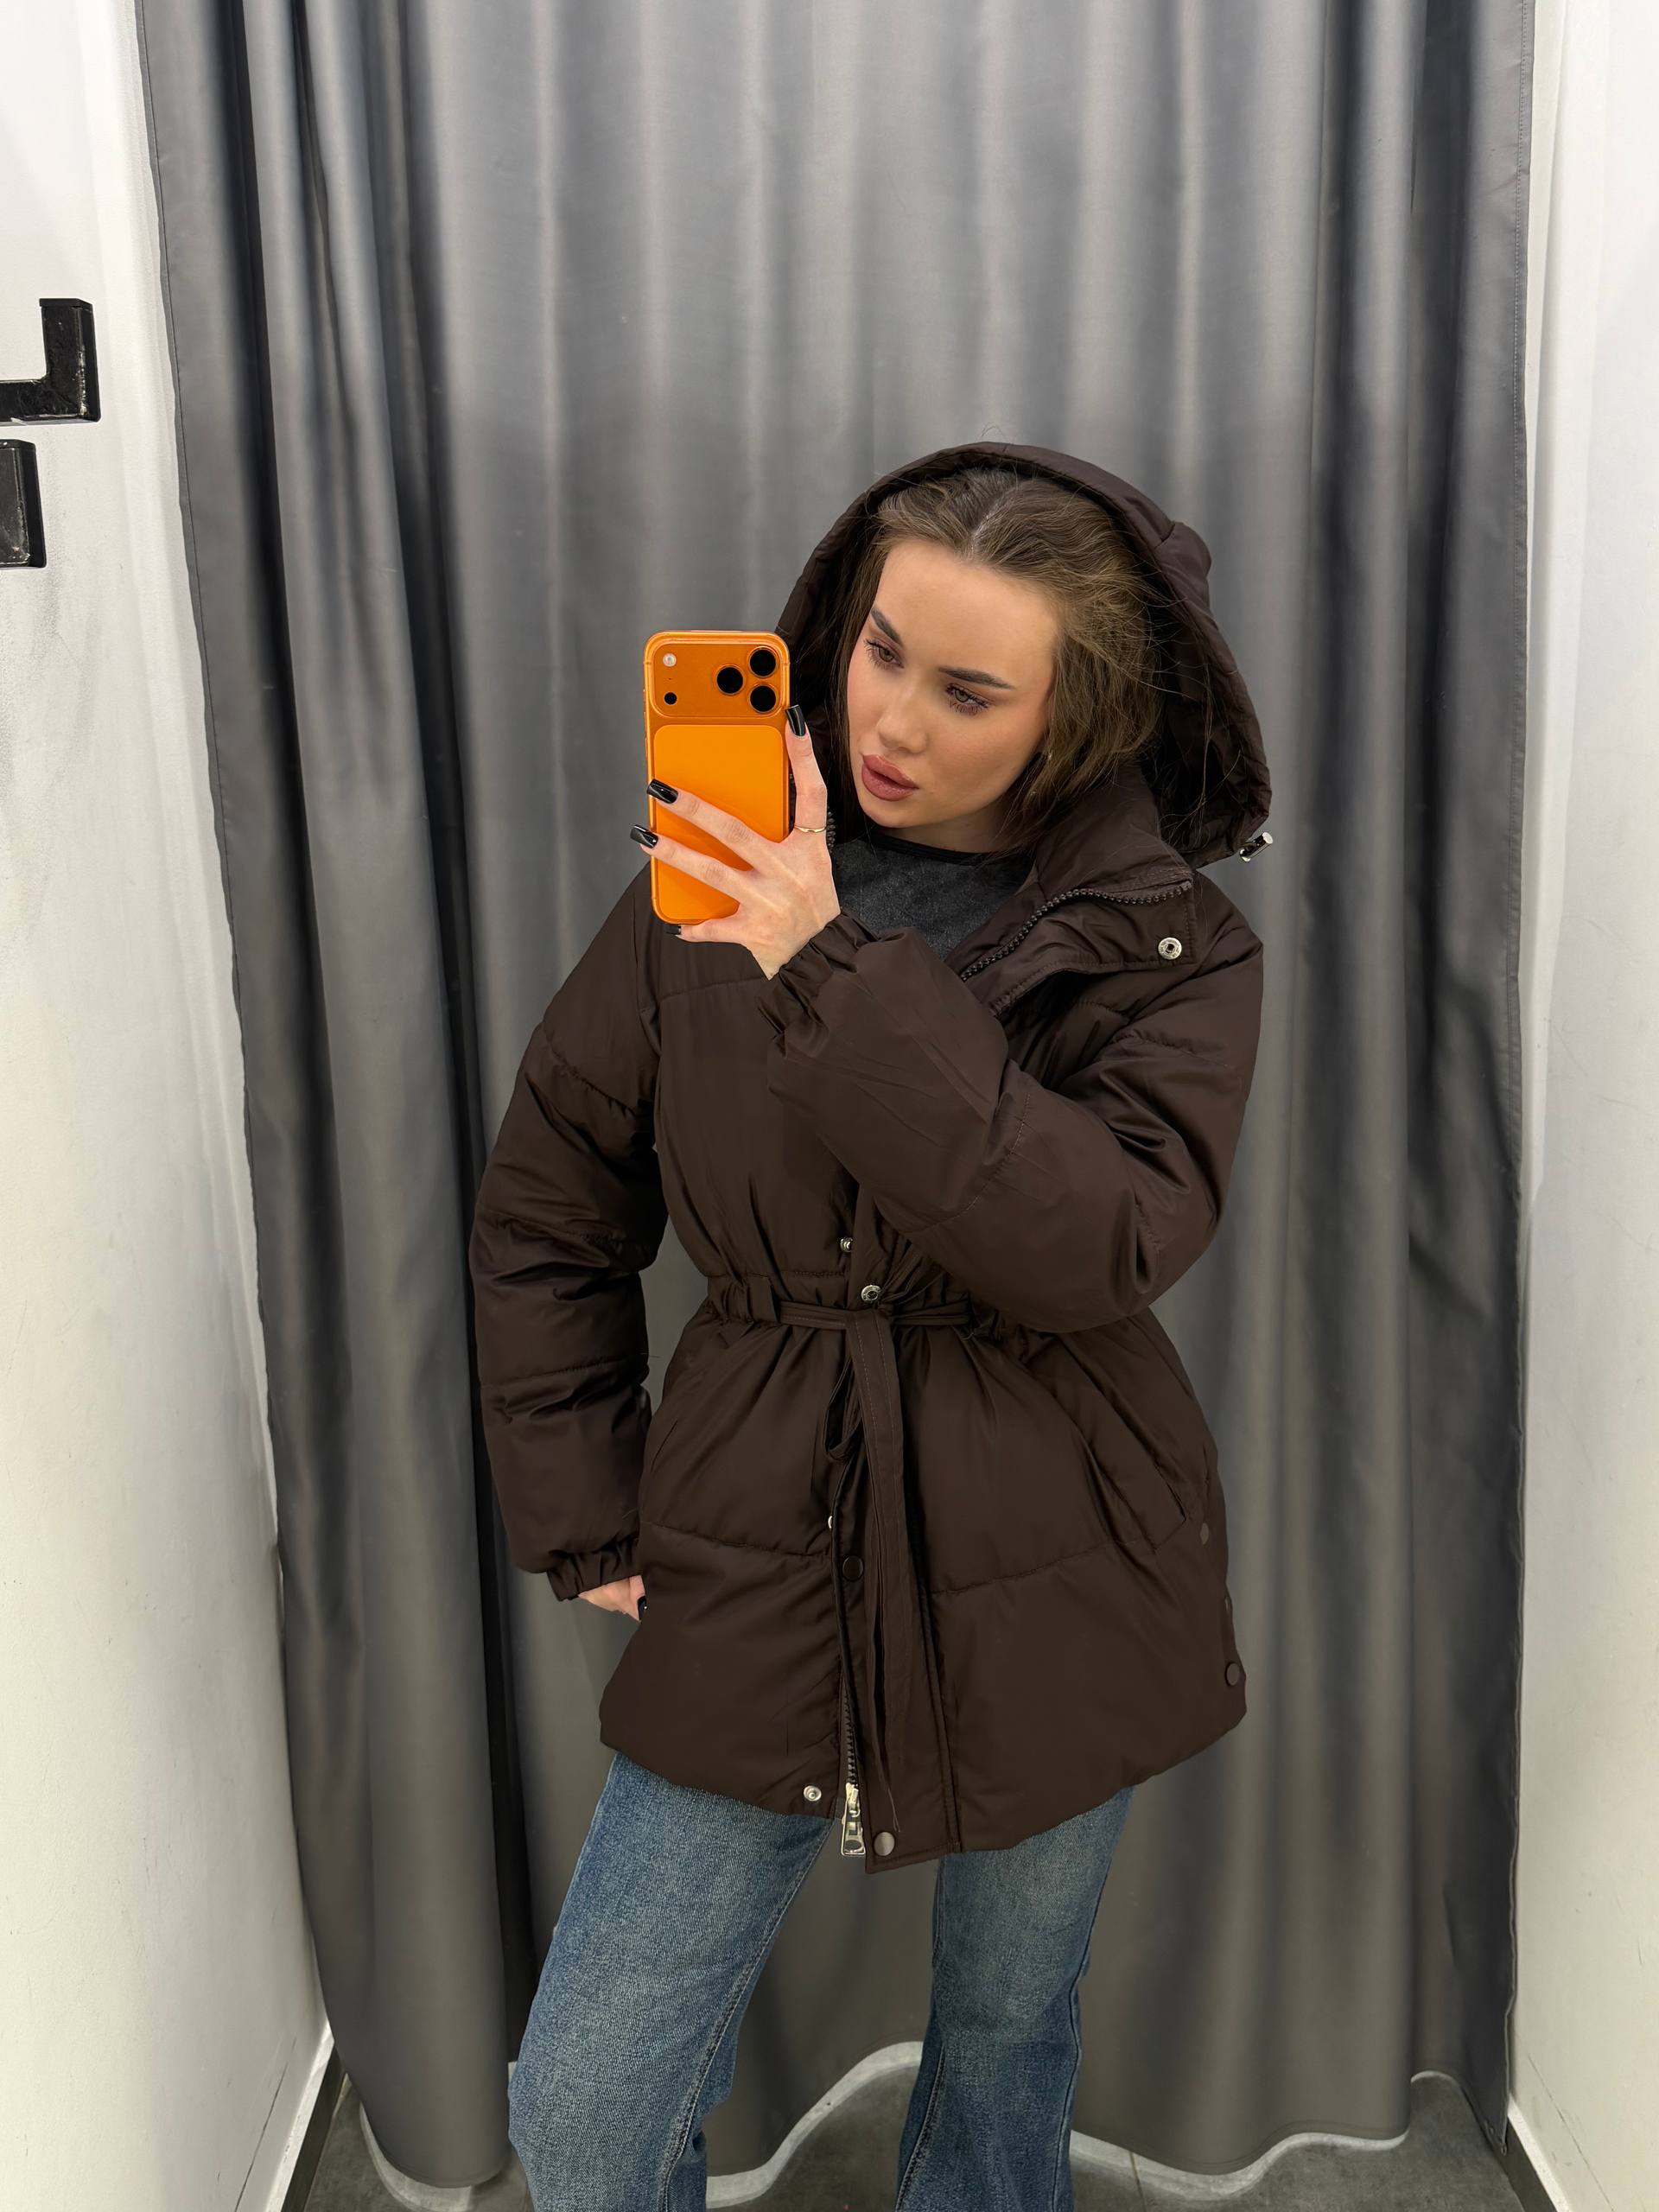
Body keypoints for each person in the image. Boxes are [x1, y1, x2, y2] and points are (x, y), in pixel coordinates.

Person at [470, 441, 1273, 2209]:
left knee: (1006, 2030)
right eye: (882, 647)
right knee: (587, 2103)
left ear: (1074, 716)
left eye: (969, 690)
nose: (891, 717)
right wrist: (587, 1500)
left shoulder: (1174, 950)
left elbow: (1103, 1238)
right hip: (757, 1513)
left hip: (1067, 1539)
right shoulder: (710, 877)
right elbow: (549, 1203)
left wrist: (825, 963)